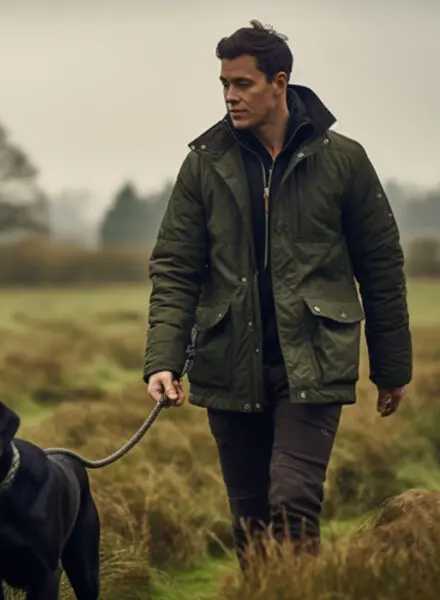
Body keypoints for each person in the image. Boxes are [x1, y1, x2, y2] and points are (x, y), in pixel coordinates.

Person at [142, 20, 413, 566]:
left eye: (242, 83)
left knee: (292, 503)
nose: (230, 96)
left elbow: (381, 266)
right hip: (226, 362)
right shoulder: (203, 165)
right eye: (224, 83)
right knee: (251, 522)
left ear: (279, 82)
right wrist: (163, 360)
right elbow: (174, 268)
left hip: (312, 361)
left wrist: (392, 367)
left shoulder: (344, 161)